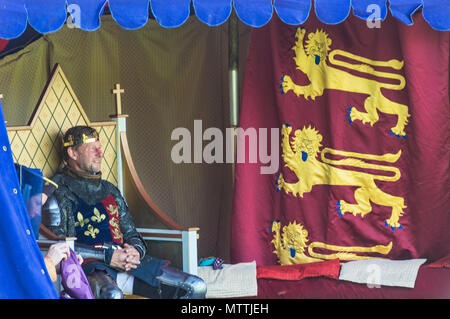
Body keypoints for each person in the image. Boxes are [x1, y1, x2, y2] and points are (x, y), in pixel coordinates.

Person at [42, 126, 206, 299]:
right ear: (73, 154)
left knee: (194, 287)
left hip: (128, 265)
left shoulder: (110, 190)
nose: (100, 153)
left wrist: (135, 250)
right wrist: (108, 256)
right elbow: (61, 246)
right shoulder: (56, 190)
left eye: (100, 147)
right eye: (92, 149)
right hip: (88, 267)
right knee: (111, 295)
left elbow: (131, 233)